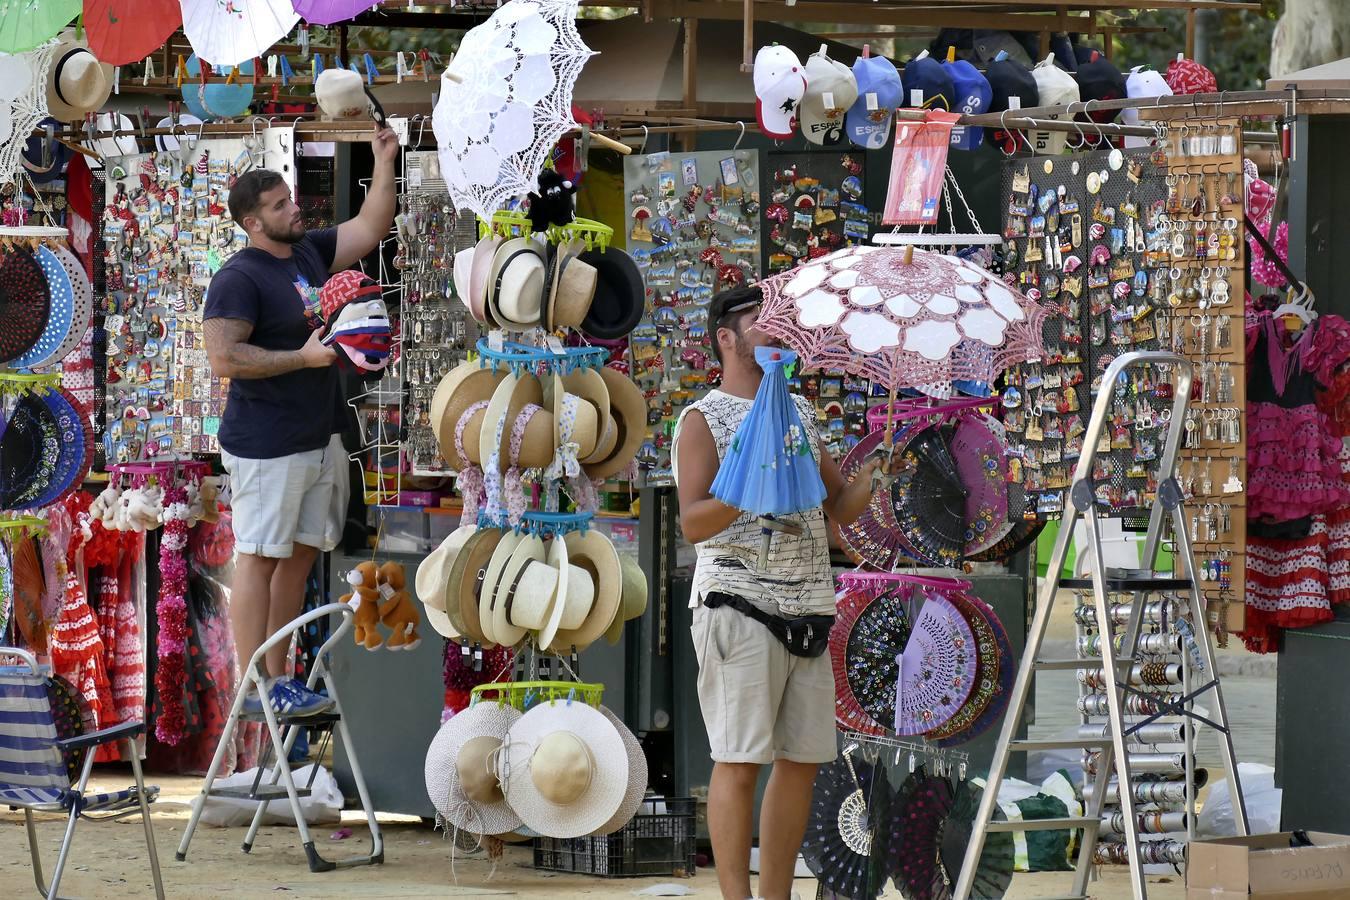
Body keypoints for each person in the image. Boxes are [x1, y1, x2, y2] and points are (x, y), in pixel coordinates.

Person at [672, 285, 880, 900]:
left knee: (803, 762)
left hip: (809, 607)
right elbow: (691, 522)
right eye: (761, 325)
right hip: (739, 605)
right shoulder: (702, 418)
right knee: (739, 760)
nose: (777, 334)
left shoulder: (801, 416)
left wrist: (873, 474)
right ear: (727, 339)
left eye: (782, 326)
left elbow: (838, 506)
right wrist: (746, 483)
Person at [204, 125, 399, 716]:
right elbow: (225, 357)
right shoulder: (239, 277)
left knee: (300, 557)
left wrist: (384, 159)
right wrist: (303, 358)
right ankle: (252, 686)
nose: (295, 208)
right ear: (252, 222)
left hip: (318, 438)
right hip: (266, 445)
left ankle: (279, 677)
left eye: (290, 199)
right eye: (279, 205)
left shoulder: (308, 251)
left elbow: (371, 227)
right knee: (259, 558)